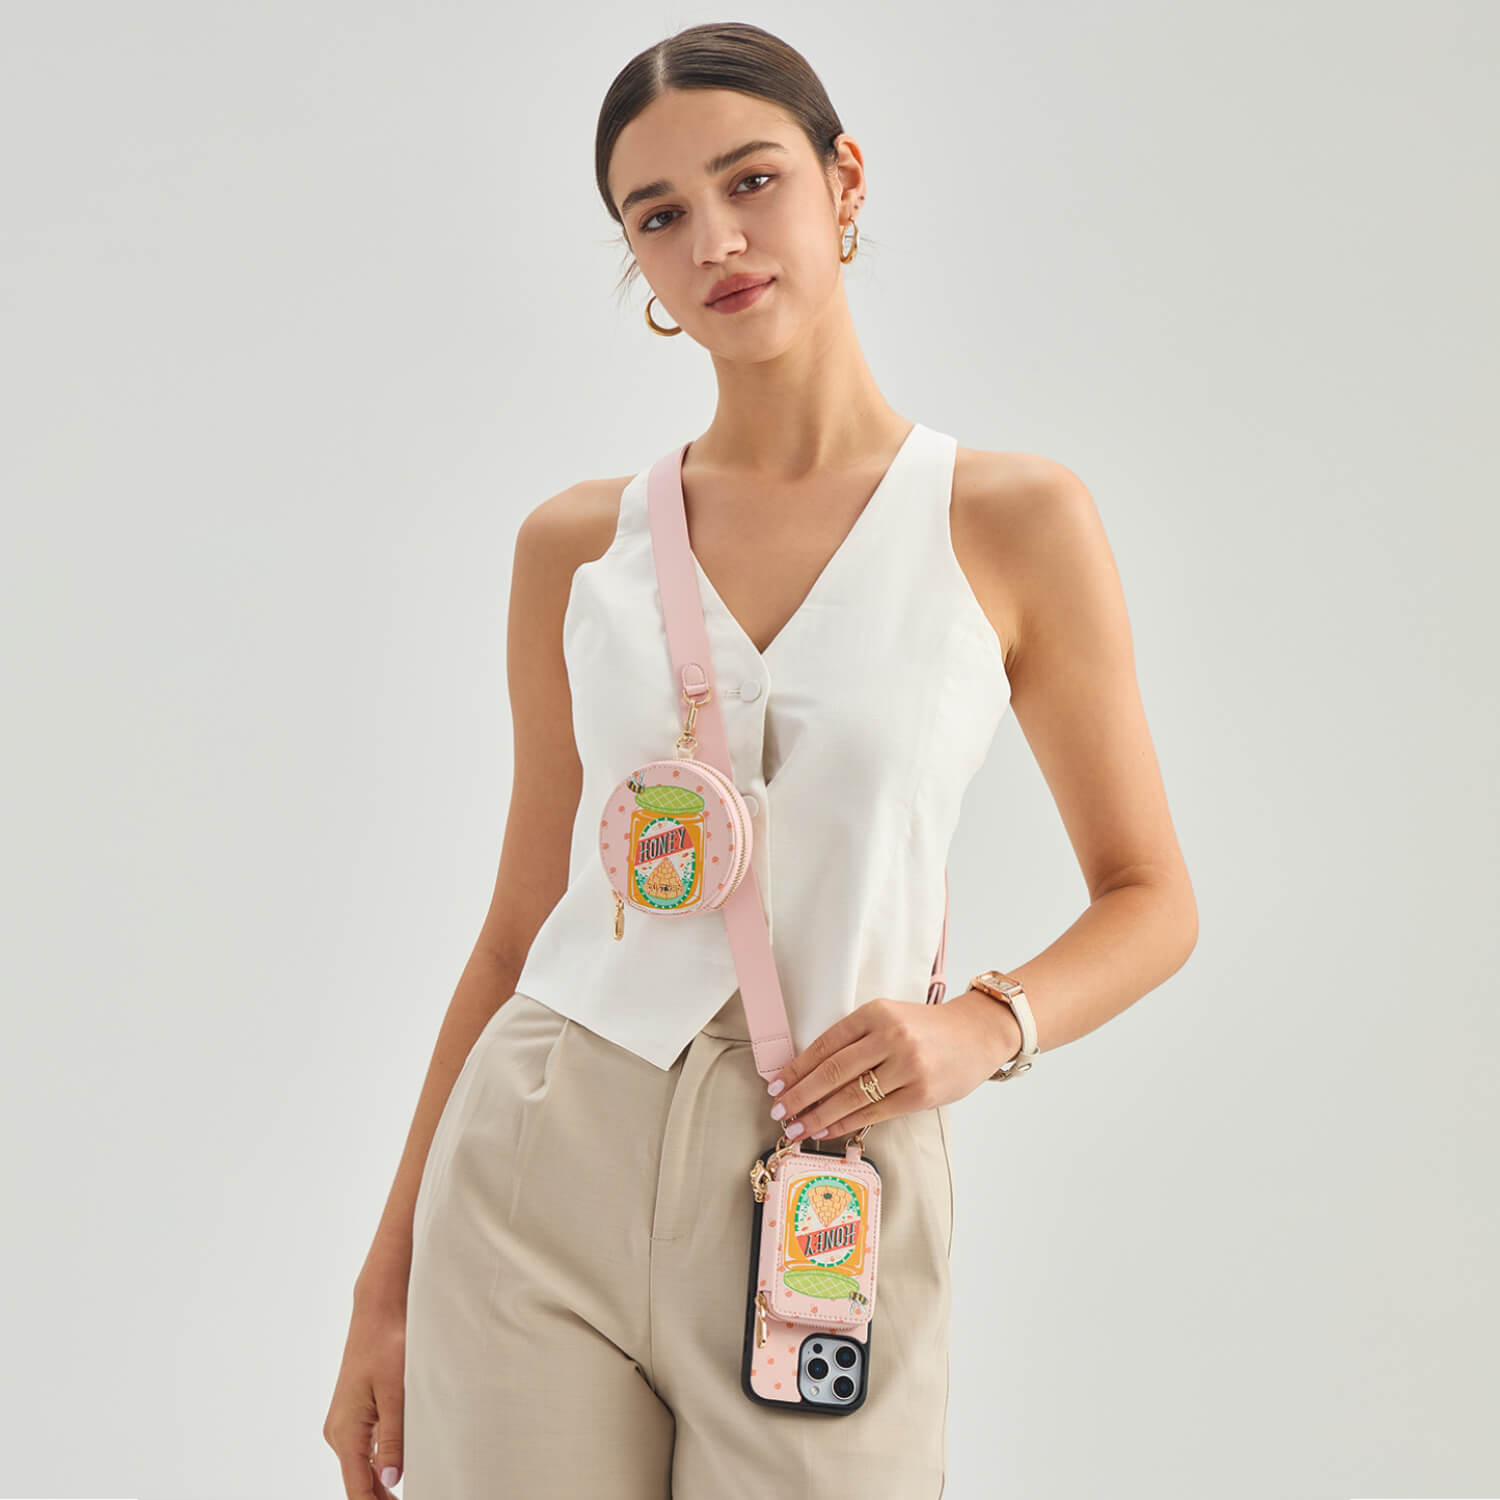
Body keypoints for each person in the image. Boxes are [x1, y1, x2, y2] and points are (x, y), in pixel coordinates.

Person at [323, 20, 1198, 1499]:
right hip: (543, 1156)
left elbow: (1151, 896)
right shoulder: (576, 549)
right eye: (658, 215)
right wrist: (383, 1285)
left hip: (832, 1173)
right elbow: (517, 933)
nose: (714, 242)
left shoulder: (1009, 520)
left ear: (844, 179)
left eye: (752, 181)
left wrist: (986, 1026)